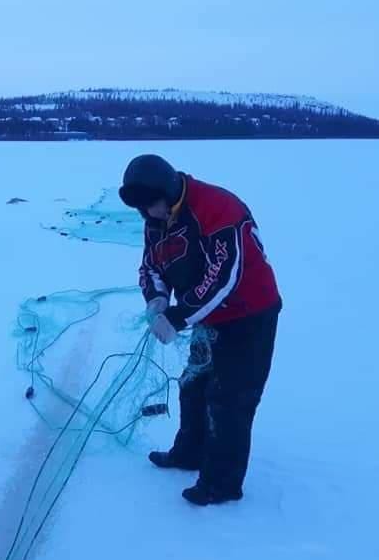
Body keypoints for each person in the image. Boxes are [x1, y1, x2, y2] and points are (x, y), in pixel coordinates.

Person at [118, 153, 281, 506]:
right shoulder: (156, 216)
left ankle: (222, 483)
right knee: (193, 386)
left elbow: (224, 277)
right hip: (207, 317)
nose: (148, 215)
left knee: (229, 400)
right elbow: (151, 266)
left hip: (249, 314)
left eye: (151, 207)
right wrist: (157, 300)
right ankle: (189, 453)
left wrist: (178, 317)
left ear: (169, 191)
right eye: (142, 210)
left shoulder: (218, 208)